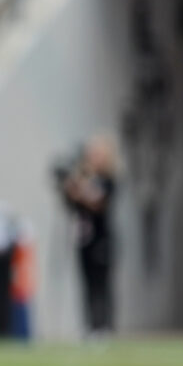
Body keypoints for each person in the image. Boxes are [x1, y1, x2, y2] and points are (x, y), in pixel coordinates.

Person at [60, 136, 117, 338]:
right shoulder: (83, 176)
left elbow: (98, 202)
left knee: (101, 282)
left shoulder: (108, 180)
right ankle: (90, 324)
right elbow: (71, 202)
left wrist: (82, 188)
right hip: (84, 238)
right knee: (86, 282)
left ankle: (104, 325)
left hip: (102, 239)